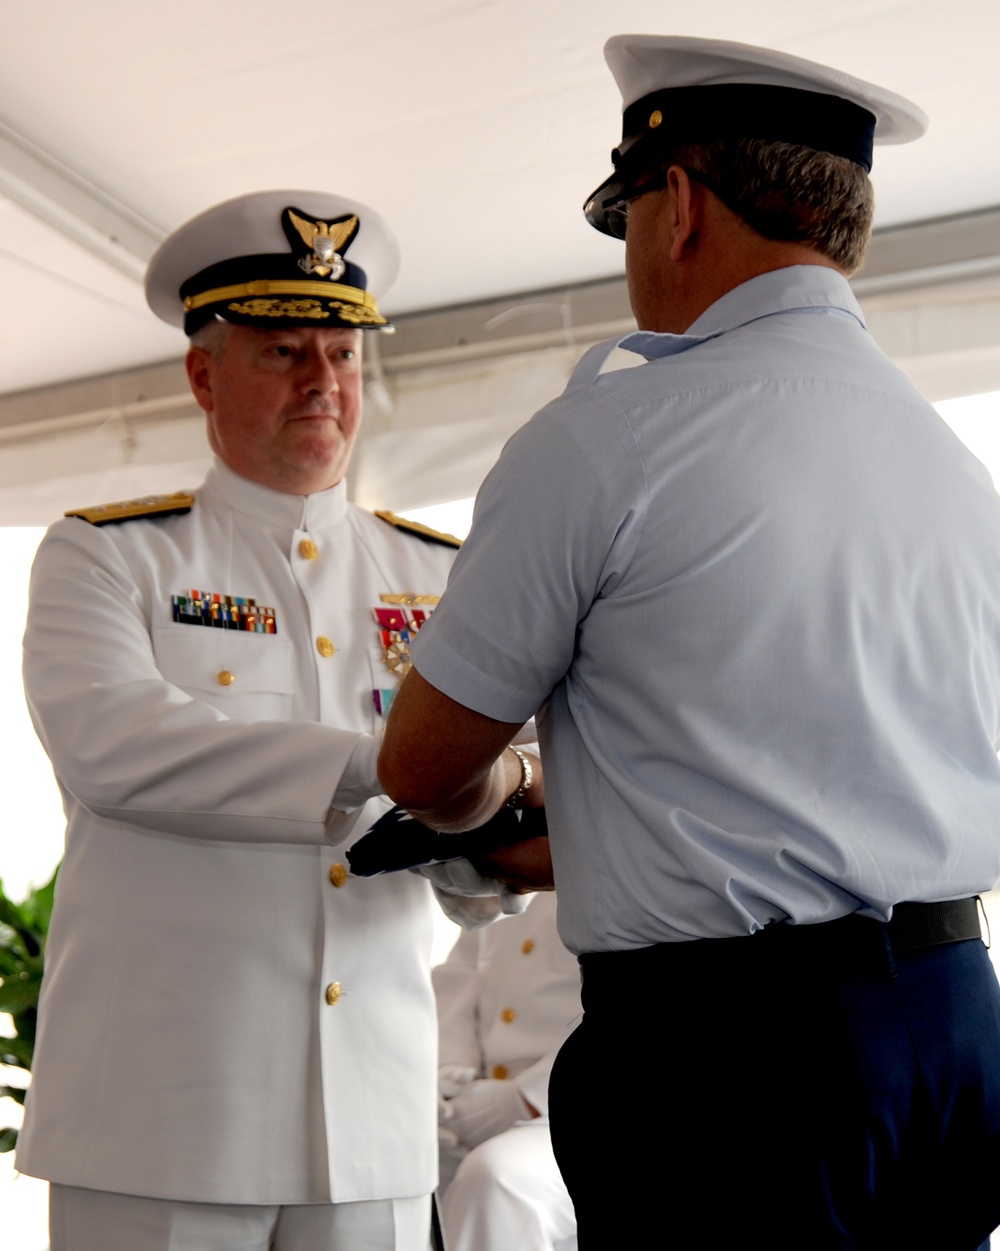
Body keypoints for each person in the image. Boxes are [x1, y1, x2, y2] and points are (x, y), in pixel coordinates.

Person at [379, 36, 1000, 1249]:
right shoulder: (951, 468)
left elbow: (420, 764)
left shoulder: (607, 438)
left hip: (735, 1060)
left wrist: (506, 795)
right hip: (954, 1017)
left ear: (676, 207)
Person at [16, 189, 514, 1251]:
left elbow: (485, 806)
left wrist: (488, 852)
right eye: (284, 350)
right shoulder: (107, 555)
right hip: (161, 1115)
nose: (321, 381)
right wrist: (397, 762)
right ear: (204, 373)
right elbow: (120, 749)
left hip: (372, 1116)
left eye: (342, 353)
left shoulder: (440, 573)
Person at [434, 892, 578, 1251]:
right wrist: (451, 1072)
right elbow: (462, 972)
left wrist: (526, 1098)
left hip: (572, 1111)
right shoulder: (506, 861)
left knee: (497, 1181)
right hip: (478, 1091)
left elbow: (632, 1005)